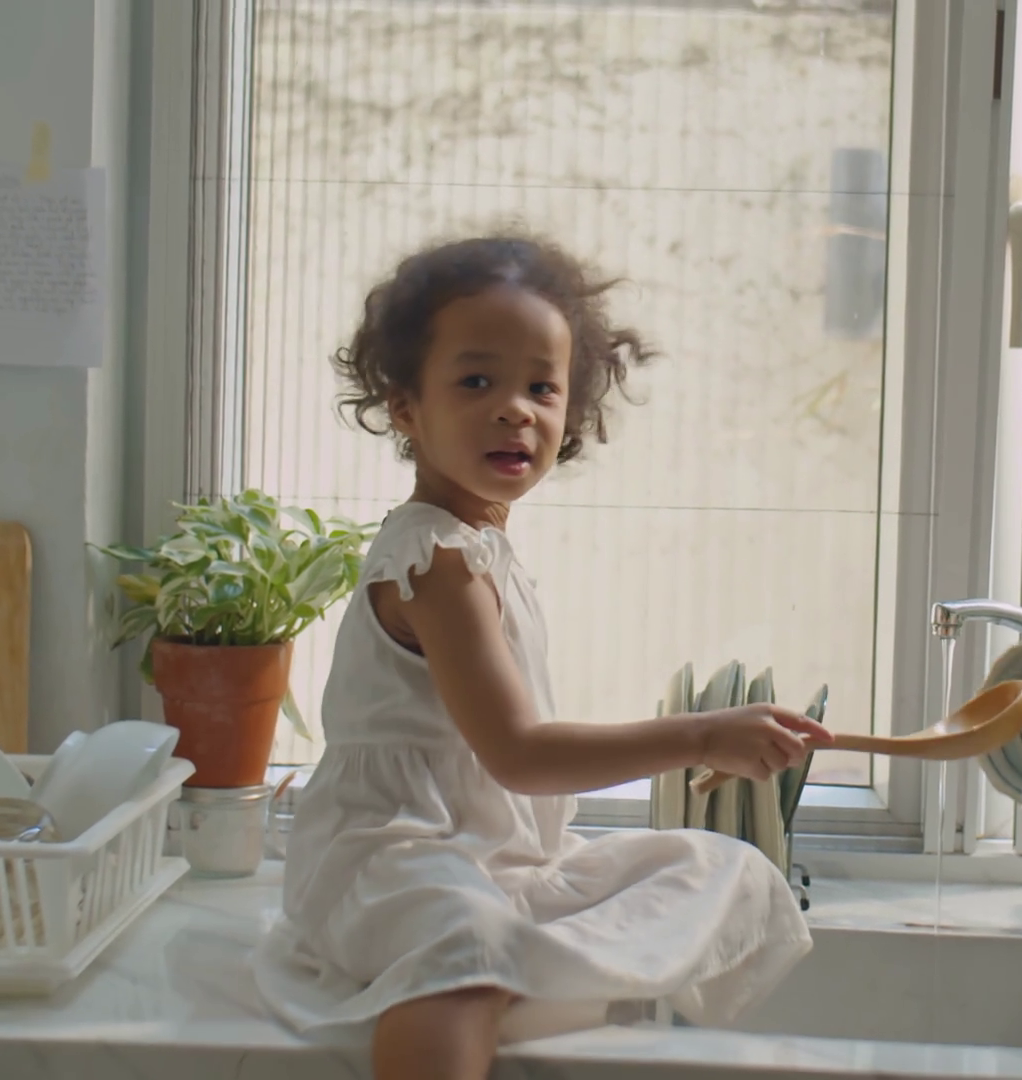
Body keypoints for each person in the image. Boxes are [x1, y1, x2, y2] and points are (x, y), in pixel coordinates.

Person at [251, 235, 830, 1080]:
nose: (515, 409)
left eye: (541, 387)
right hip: (390, 856)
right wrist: (702, 735)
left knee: (723, 868)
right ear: (405, 408)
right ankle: (486, 983)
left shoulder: (483, 549)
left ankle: (523, 974)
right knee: (463, 945)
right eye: (476, 382)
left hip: (494, 857)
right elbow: (519, 755)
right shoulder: (435, 561)